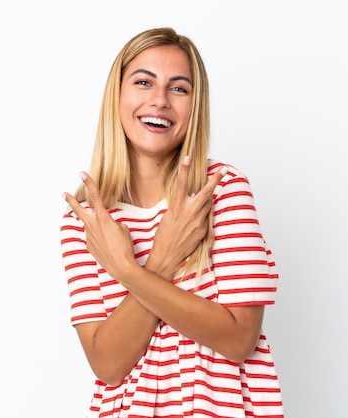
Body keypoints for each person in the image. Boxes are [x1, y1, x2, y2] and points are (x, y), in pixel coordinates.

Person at [60, 27, 284, 417]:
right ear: (117, 94)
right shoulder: (85, 222)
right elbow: (108, 365)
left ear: (195, 106)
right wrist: (161, 260)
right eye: (143, 82)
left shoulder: (221, 190)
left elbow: (238, 338)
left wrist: (127, 270)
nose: (159, 100)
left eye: (179, 88)